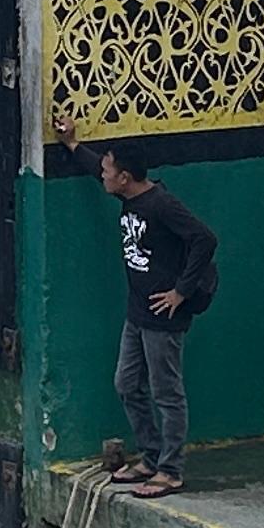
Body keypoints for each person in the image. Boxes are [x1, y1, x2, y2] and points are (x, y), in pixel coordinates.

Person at [96, 142, 216, 498]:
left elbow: (205, 239)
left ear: (125, 178)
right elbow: (95, 167)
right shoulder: (129, 198)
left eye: (107, 173)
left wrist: (180, 291)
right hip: (137, 312)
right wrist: (72, 142)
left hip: (163, 317)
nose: (103, 177)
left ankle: (171, 469)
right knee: (126, 383)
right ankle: (149, 456)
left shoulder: (160, 204)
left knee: (167, 393)